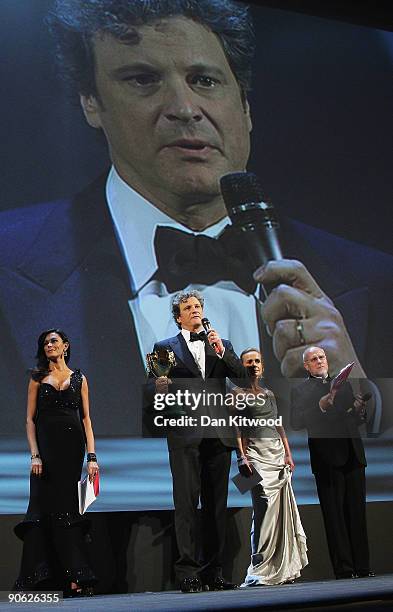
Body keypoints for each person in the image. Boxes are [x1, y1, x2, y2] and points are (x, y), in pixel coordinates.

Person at [1, 0, 393, 436]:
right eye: (144, 80)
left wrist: (364, 408)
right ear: (91, 102)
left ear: (245, 108)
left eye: (204, 80)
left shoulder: (375, 282)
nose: (184, 108)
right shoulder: (7, 270)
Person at [150, 290, 246, 592]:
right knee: (187, 503)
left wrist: (222, 351)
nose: (194, 310)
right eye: (187, 307)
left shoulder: (222, 344)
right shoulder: (163, 347)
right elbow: (157, 393)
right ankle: (188, 572)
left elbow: (243, 378)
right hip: (185, 435)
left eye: (197, 306)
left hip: (218, 433)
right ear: (178, 316)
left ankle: (214, 571)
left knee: (217, 505)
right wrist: (160, 388)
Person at [14, 329, 98, 596]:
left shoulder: (80, 379)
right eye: (45, 343)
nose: (49, 345)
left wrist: (92, 457)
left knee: (69, 510)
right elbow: (29, 420)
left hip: (72, 452)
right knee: (41, 509)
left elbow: (86, 419)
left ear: (65, 346)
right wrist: (35, 454)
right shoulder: (37, 378)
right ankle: (38, 578)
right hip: (46, 455)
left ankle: (76, 576)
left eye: (53, 341)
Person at [290, 346, 373, 579]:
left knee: (357, 513)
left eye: (322, 357)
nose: (319, 361)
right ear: (306, 365)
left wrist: (359, 411)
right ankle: (345, 569)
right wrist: (321, 406)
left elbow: (351, 420)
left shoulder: (343, 384)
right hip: (327, 459)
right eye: (313, 359)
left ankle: (363, 567)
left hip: (353, 454)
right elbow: (296, 421)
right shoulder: (301, 390)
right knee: (335, 517)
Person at [235, 348, 308, 586]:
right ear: (241, 366)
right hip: (255, 455)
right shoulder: (236, 394)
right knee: (263, 506)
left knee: (280, 510)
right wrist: (241, 456)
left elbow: (278, 425)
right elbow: (237, 428)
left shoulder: (269, 394)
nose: (253, 364)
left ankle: (282, 566)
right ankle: (260, 565)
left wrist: (288, 453)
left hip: (276, 455)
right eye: (248, 362)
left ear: (263, 366)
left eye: (257, 360)